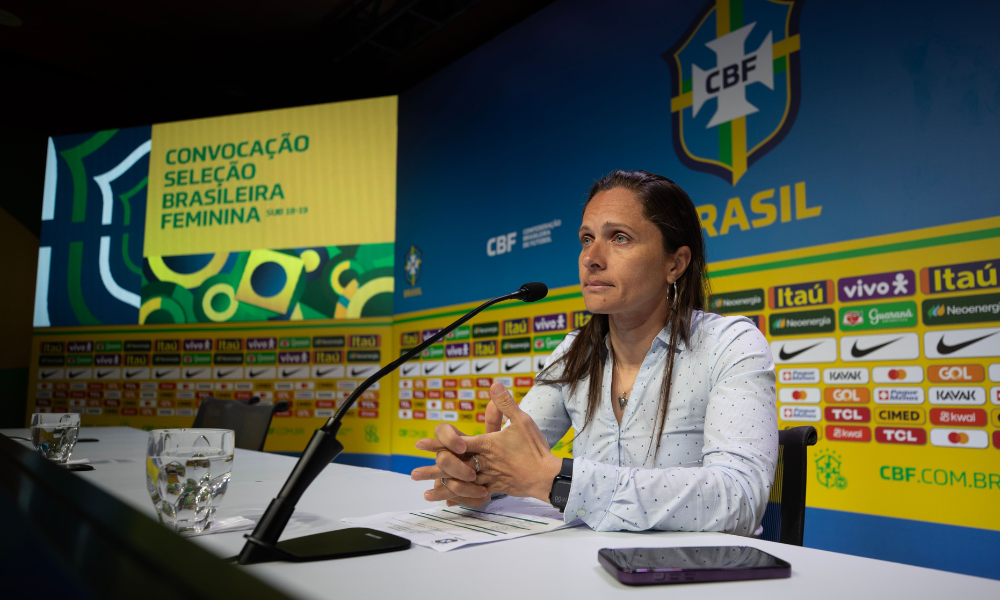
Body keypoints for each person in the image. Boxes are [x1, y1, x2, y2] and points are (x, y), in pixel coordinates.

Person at [411, 170, 777, 535]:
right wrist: (477, 474)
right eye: (587, 239)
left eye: (619, 238)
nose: (592, 258)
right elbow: (517, 463)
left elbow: (739, 499)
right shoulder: (575, 352)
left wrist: (560, 480)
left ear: (675, 264)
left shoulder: (729, 344)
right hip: (588, 571)